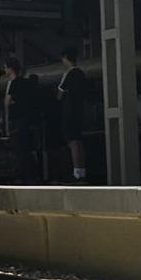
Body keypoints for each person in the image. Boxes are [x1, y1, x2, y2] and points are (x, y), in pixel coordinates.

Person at [3, 56, 35, 183]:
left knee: (18, 149)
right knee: (27, 149)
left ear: (10, 69)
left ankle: (22, 175)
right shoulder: (27, 83)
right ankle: (31, 175)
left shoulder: (13, 83)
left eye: (5, 67)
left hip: (16, 121)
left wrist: (6, 127)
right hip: (27, 121)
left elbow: (6, 103)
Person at [58, 46, 87, 183]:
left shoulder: (69, 73)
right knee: (79, 141)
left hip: (69, 112)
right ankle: (81, 170)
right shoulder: (81, 73)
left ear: (65, 58)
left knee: (72, 141)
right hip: (80, 110)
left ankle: (76, 172)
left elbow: (60, 93)